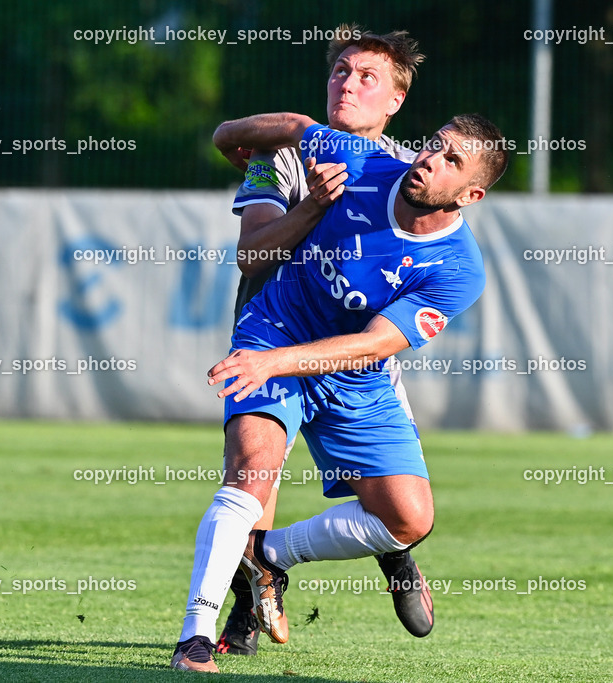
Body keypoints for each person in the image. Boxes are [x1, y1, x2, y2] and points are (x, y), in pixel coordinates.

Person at [171, 111, 509, 673]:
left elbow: (375, 346)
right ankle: (196, 636)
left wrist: (272, 364)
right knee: (252, 470)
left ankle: (266, 555)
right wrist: (234, 141)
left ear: (470, 194)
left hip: (352, 371)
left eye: (452, 160)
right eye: (434, 145)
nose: (429, 160)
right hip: (277, 329)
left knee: (408, 520)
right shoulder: (363, 161)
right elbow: (294, 127)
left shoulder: (460, 267)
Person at [215, 25, 433, 657]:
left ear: (395, 101)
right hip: (272, 341)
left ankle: (396, 556)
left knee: (397, 504)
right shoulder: (282, 152)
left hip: (351, 356)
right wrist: (308, 193)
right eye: (342, 69)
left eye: (369, 77)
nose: (349, 82)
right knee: (253, 478)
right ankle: (242, 620)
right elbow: (252, 256)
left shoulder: (405, 175)